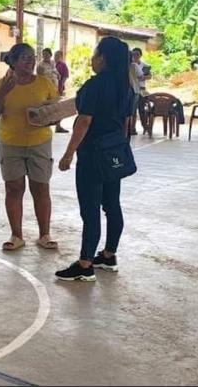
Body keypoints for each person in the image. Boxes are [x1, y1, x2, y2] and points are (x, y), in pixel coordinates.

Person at [55, 36, 132, 282]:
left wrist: (68, 155)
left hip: (92, 154)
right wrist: (118, 148)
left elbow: (84, 121)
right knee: (112, 205)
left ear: (103, 58)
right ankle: (109, 255)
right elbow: (127, 123)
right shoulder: (126, 87)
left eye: (95, 54)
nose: (92, 58)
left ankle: (86, 264)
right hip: (113, 152)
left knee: (90, 209)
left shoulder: (94, 86)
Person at [0, 43, 60, 253]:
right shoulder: (2, 84)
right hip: (11, 143)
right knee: (14, 188)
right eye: (25, 58)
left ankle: (44, 234)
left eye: (32, 57)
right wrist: (3, 93)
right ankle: (16, 235)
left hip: (40, 142)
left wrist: (48, 117)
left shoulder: (44, 83)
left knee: (40, 188)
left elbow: (55, 111)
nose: (30, 62)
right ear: (14, 61)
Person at [131, 48, 151, 134]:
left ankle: (145, 126)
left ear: (140, 55)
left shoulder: (144, 65)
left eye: (137, 54)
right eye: (134, 54)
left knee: (142, 109)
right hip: (134, 89)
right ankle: (132, 128)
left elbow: (149, 76)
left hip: (142, 89)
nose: (135, 56)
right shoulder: (131, 65)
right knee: (133, 110)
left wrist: (144, 77)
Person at [54, 51, 70, 134]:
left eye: (57, 56)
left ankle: (58, 126)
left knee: (59, 108)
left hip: (58, 89)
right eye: (55, 55)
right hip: (51, 89)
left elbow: (65, 76)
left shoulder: (62, 65)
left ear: (61, 56)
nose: (55, 57)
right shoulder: (53, 64)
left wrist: (61, 86)